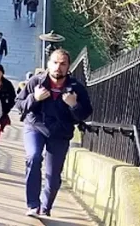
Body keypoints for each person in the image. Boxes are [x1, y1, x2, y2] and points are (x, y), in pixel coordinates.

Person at [17, 49, 93, 217]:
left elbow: (85, 113)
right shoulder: (36, 82)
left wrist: (73, 105)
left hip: (60, 132)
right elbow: (19, 104)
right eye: (55, 63)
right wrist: (34, 98)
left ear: (68, 67)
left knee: (52, 176)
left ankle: (45, 207)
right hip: (35, 126)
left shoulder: (76, 88)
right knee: (33, 157)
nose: (58, 67)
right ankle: (33, 204)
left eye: (63, 64)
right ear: (48, 64)